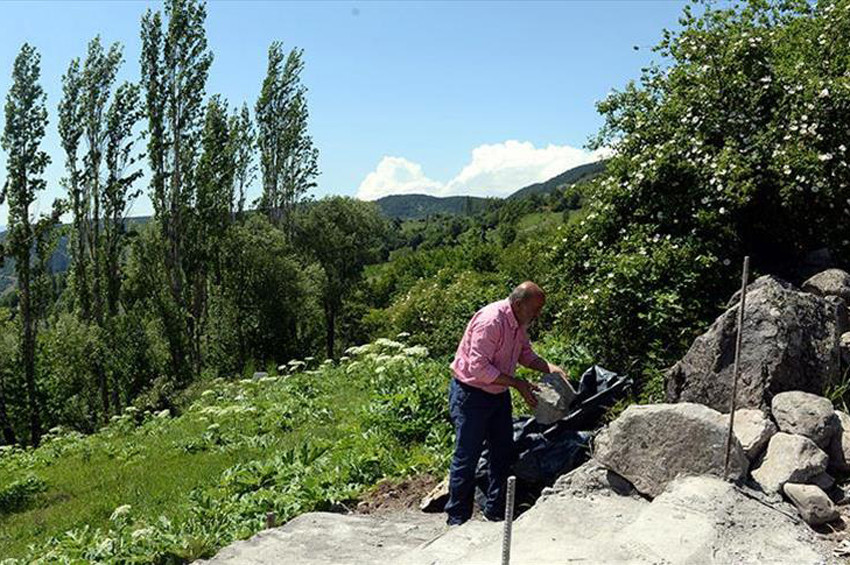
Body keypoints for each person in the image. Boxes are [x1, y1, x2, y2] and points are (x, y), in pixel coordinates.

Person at [444, 281, 567, 526]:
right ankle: (457, 519)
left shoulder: (518, 323)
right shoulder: (491, 321)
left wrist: (550, 368)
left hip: (497, 395)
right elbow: (478, 368)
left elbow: (525, 354)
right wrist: (518, 384)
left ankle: (495, 512)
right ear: (519, 304)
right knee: (467, 456)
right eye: (535, 309)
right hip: (471, 394)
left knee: (502, 453)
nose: (537, 315)